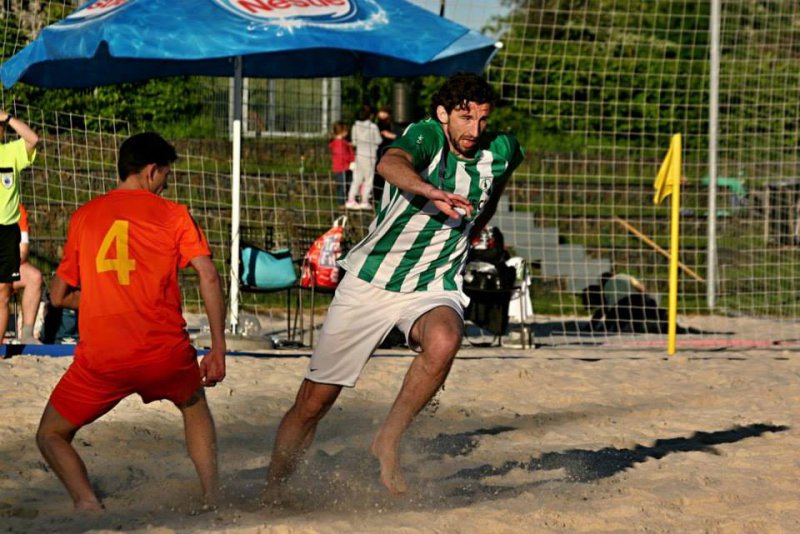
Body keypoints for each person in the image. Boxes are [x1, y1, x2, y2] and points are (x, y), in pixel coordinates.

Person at [264, 73, 524, 499]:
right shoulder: (426, 136)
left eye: (482, 119)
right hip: (371, 281)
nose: (474, 130)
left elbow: (497, 183)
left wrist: (479, 220)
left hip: (433, 282)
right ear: (443, 115)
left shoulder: (502, 150)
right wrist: (428, 190)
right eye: (464, 118)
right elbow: (389, 163)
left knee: (445, 339)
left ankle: (388, 438)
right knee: (314, 403)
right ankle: (273, 489)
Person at [36, 132, 227, 511]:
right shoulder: (173, 213)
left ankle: (86, 501)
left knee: (51, 435)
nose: (166, 183)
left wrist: (102, 300)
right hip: (163, 352)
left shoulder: (84, 216)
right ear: (152, 171)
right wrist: (218, 348)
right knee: (193, 404)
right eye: (166, 174)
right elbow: (208, 275)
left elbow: (58, 295)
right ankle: (213, 497)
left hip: (102, 360)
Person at [0, 110, 38, 344]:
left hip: (6, 232)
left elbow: (33, 139)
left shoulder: (11, 152)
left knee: (3, 293)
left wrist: (8, 118)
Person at [12, 203, 43, 343]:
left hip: (7, 266)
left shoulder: (16, 209)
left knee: (34, 277)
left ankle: (27, 335)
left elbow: (23, 252)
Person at [346, 104, 382, 210]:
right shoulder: (373, 126)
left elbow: (354, 142)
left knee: (356, 178)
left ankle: (351, 199)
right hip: (370, 155)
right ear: (370, 116)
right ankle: (364, 200)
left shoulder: (354, 126)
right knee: (368, 179)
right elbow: (378, 140)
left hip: (359, 155)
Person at [372, 106, 399, 205]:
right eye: (380, 113)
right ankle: (378, 197)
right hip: (378, 151)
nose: (381, 115)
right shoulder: (376, 124)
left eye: (384, 113)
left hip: (389, 150)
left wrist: (391, 135)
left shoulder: (393, 125)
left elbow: (400, 136)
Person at [328, 121, 355, 207]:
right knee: (342, 185)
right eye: (346, 130)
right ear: (342, 131)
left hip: (343, 166)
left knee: (345, 183)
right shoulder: (339, 143)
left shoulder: (341, 142)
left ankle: (345, 200)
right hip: (341, 167)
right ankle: (341, 203)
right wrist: (352, 159)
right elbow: (343, 155)